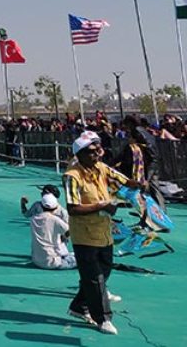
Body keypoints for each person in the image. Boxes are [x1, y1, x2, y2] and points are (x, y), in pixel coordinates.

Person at [64, 131, 142, 335]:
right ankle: (103, 319)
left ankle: (78, 307)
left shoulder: (101, 168)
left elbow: (123, 181)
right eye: (91, 152)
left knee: (104, 270)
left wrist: (138, 185)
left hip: (103, 232)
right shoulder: (72, 176)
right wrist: (102, 206)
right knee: (94, 277)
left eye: (97, 150)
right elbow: (72, 208)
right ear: (79, 154)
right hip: (84, 235)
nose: (96, 154)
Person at [30, 193, 76, 270]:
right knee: (83, 257)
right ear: (55, 207)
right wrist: (64, 237)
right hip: (54, 262)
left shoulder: (33, 219)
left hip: (36, 261)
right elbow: (70, 229)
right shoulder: (55, 220)